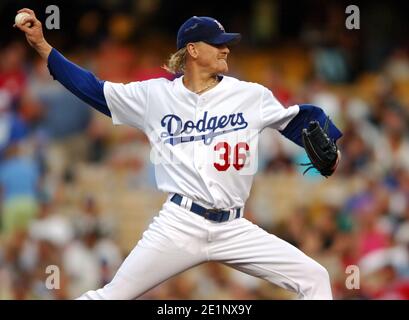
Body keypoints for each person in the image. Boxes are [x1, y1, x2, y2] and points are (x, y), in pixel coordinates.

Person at [16, 9, 342, 299]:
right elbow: (93, 89)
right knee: (111, 296)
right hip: (179, 224)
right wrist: (43, 46)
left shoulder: (249, 95)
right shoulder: (155, 95)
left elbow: (299, 119)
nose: (226, 48)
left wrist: (333, 149)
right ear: (193, 50)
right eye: (217, 43)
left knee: (315, 278)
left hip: (234, 226)